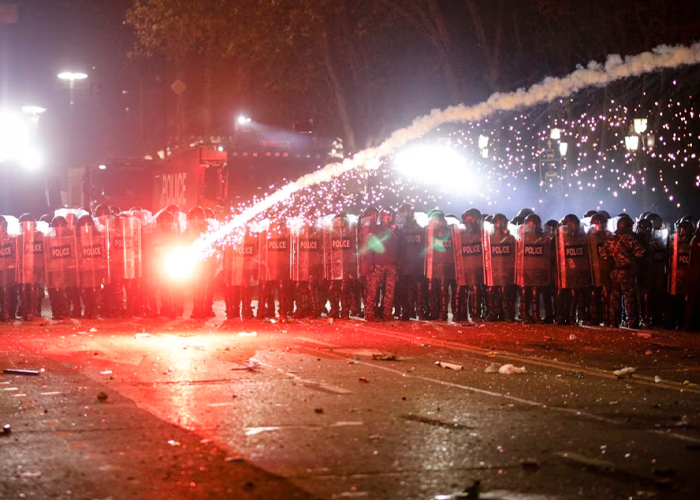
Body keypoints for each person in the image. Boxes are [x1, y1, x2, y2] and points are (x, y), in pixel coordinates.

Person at [603, 217, 645, 328]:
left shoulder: (611, 239)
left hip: (614, 272)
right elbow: (640, 253)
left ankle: (613, 320)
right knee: (629, 297)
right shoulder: (630, 239)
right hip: (626, 272)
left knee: (614, 297)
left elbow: (603, 254)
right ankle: (631, 321)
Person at [365, 207, 399, 321]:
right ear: (381, 217)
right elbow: (369, 247)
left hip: (391, 264)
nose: (388, 218)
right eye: (386, 216)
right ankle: (369, 313)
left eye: (390, 216)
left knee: (390, 291)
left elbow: (400, 247)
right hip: (378, 264)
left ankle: (387, 313)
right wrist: (370, 263)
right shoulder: (375, 230)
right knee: (373, 290)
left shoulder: (396, 231)